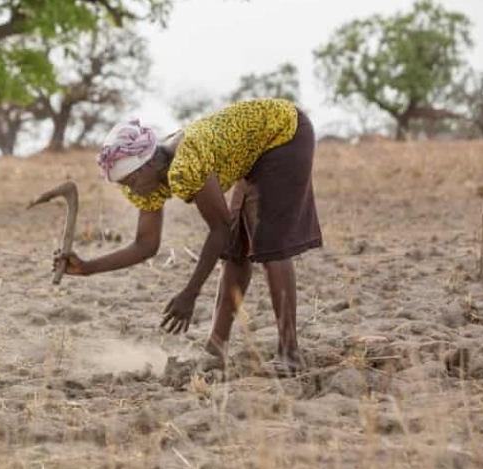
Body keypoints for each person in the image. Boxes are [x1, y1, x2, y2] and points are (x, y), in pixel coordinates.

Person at [53, 97, 322, 376]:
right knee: (235, 250)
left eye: (130, 181)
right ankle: (216, 350)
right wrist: (86, 268)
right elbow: (146, 244)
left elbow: (218, 228)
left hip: (284, 133)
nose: (129, 190)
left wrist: (190, 294)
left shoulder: (186, 161)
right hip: (254, 150)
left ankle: (290, 353)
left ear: (146, 166)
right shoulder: (152, 178)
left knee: (269, 243)